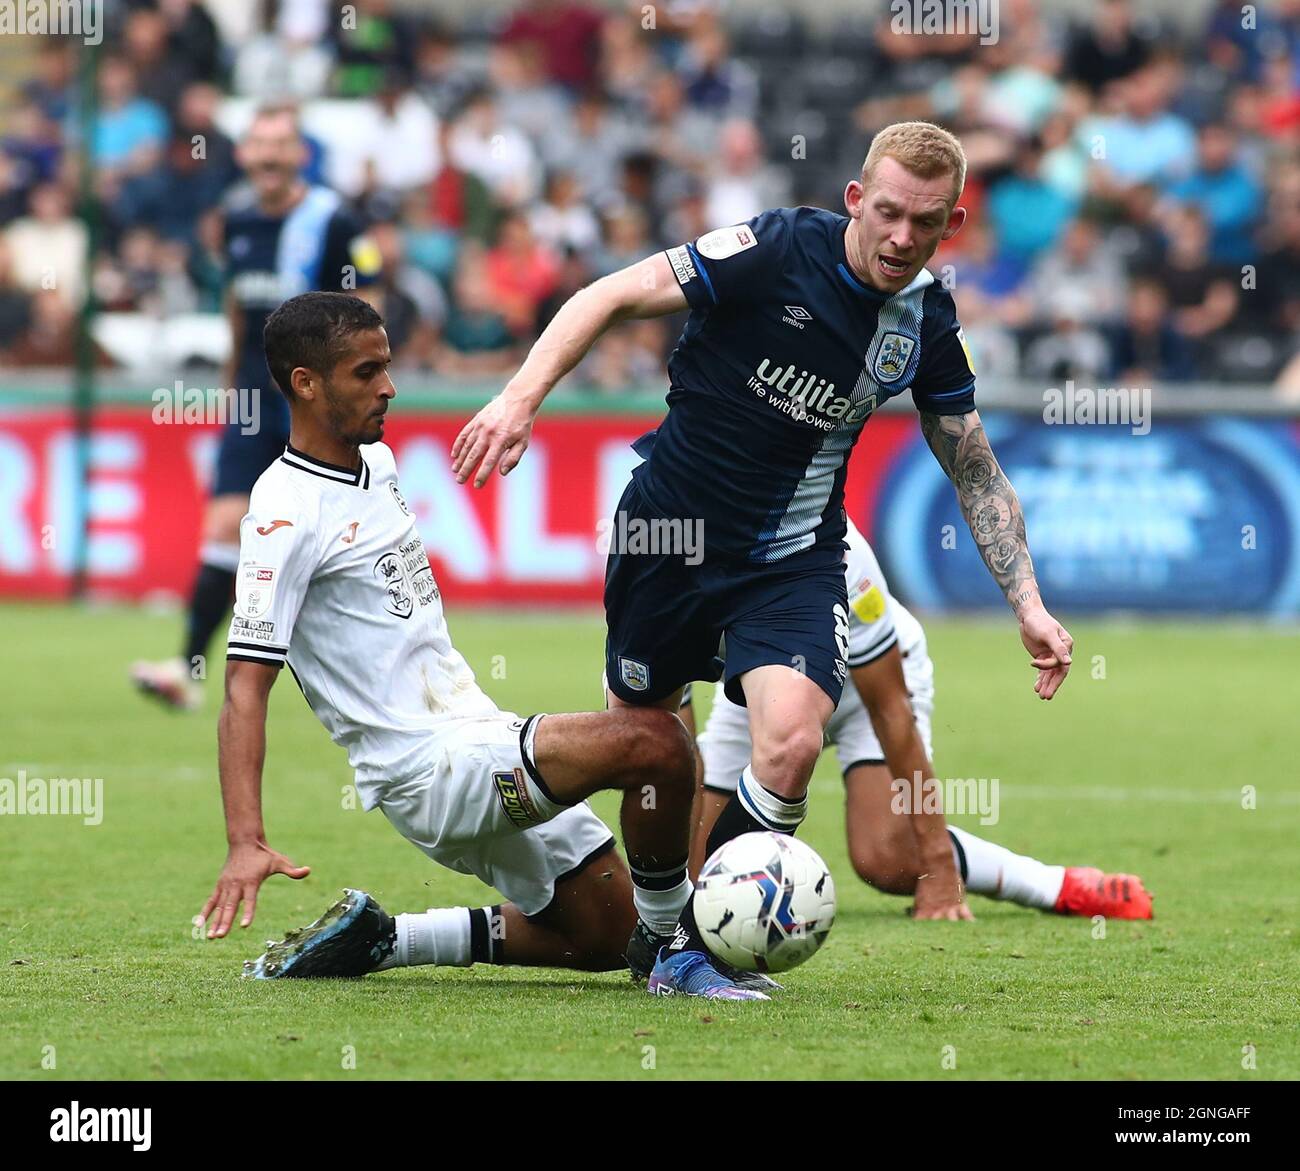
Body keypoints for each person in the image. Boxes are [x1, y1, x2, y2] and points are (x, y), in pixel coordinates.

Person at [452, 121, 1075, 999]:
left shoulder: (925, 318)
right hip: (664, 542)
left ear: (953, 224)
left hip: (789, 560)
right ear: (857, 200)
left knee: (789, 742)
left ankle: (693, 942)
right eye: (889, 213)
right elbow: (608, 295)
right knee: (649, 747)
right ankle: (659, 935)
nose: (902, 238)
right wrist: (519, 400)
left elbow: (974, 467)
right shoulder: (772, 248)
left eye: (925, 223)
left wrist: (1029, 603)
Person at [198, 293, 763, 999]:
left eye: (388, 366)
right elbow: (244, 690)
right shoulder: (283, 513)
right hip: (428, 769)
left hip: (476, 730)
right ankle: (676, 949)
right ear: (305, 383)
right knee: (657, 743)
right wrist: (245, 840)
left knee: (602, 933)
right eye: (365, 372)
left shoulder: (378, 463)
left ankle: (386, 938)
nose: (389, 387)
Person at [689, 520, 1154, 921]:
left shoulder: (841, 552)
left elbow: (891, 708)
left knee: (886, 857)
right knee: (703, 867)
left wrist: (938, 868)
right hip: (757, 690)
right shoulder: (673, 554)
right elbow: (670, 721)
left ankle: (1058, 885)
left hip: (865, 683)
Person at [131, 103, 381, 710]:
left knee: (344, 537)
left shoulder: (333, 222)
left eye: (280, 145)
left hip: (315, 406)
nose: (268, 157)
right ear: (243, 154)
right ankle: (187, 669)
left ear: (299, 154)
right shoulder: (235, 220)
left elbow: (367, 309)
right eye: (258, 145)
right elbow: (237, 309)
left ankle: (374, 672)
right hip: (249, 398)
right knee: (223, 523)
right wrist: (226, 379)